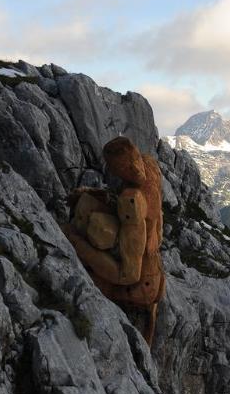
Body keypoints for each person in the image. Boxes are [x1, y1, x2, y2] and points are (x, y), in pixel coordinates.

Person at [63, 137, 165, 346]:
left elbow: (128, 274)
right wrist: (94, 194)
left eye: (115, 167)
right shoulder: (150, 165)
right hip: (152, 272)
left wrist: (77, 244)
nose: (110, 170)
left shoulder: (133, 201)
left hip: (139, 287)